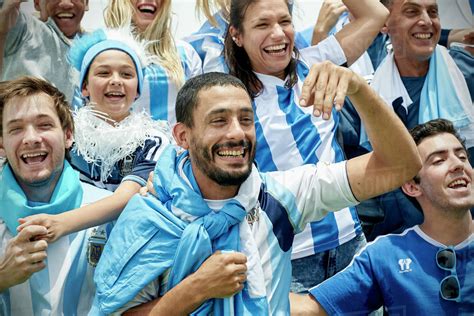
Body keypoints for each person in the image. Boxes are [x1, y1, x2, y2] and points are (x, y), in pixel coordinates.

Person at [90, 68, 421, 315]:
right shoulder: (149, 216)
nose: (237, 133)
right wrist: (195, 289)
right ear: (182, 136)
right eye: (218, 121)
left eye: (245, 120)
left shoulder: (279, 195)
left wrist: (358, 89)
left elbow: (400, 166)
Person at [224, 0, 389, 295]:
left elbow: (377, 13)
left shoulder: (318, 64)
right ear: (237, 35)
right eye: (262, 24)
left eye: (284, 22)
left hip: (349, 243)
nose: (278, 34)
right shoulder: (230, 97)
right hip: (287, 260)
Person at [292, 118, 474, 315]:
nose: (458, 165)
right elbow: (309, 310)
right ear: (412, 186)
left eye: (463, 157)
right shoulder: (385, 256)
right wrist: (254, 282)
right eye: (439, 161)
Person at [16, 28, 173, 245]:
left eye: (127, 74)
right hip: (66, 243)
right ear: (84, 87)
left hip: (125, 243)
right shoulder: (65, 134)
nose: (116, 81)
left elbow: (126, 198)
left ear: (137, 89)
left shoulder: (152, 140)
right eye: (103, 73)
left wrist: (60, 224)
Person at [339, 0, 474, 241]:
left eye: (433, 12)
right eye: (412, 11)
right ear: (384, 24)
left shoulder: (466, 74)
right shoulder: (361, 100)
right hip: (400, 243)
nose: (426, 21)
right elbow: (360, 185)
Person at [0, 76, 112, 315]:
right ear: (1, 144)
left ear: (68, 135)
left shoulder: (108, 211)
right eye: (16, 128)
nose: (31, 138)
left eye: (44, 125)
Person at [91, 0, 202, 124]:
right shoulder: (97, 52)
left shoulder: (185, 53)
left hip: (175, 142)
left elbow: (199, 113)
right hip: (112, 141)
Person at [0, 0, 89, 102]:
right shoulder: (22, 28)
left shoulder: (97, 47)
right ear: (37, 3)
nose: (66, 4)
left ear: (86, 3)